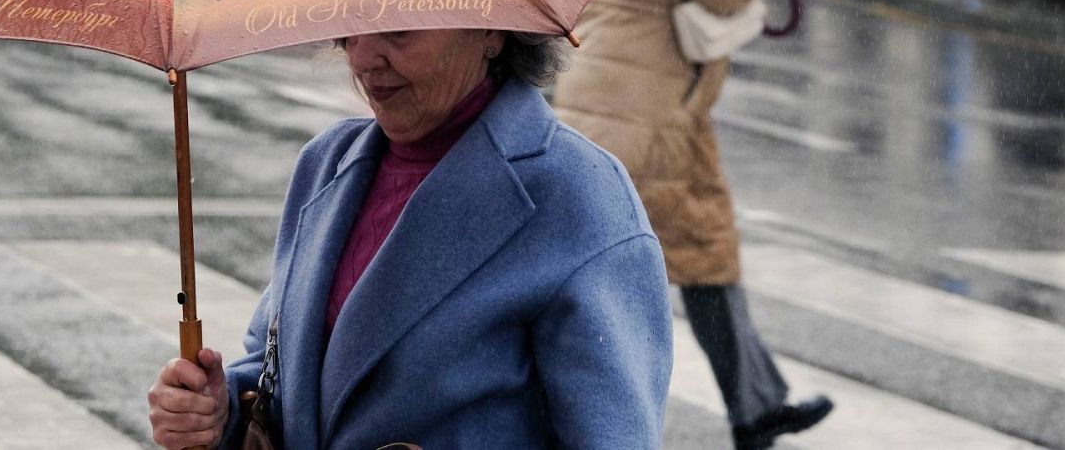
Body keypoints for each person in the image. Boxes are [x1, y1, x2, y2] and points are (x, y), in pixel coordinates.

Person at [148, 29, 672, 448]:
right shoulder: (327, 163)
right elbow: (279, 372)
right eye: (353, 25)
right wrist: (217, 411)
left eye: (398, 30)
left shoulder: (577, 194)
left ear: (490, 30)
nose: (363, 58)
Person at [553, 0, 830, 450]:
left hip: (595, 91)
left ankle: (756, 403)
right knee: (659, 266)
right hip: (655, 107)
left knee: (675, 254)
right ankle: (599, 423)